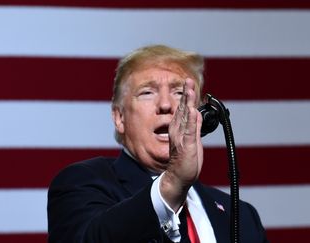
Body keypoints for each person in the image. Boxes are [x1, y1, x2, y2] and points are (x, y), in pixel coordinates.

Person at [47, 45, 268, 243]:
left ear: (200, 115)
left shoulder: (241, 216)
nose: (165, 104)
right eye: (147, 92)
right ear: (119, 117)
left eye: (180, 93)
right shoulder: (81, 184)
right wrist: (172, 184)